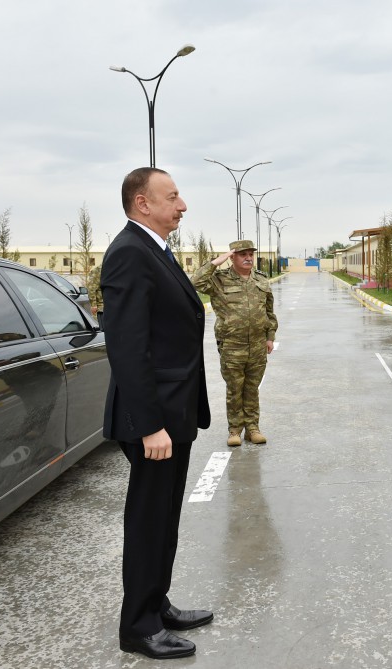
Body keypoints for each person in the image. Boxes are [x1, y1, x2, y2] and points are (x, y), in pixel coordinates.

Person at [101, 167, 212, 659]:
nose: (182, 205)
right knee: (148, 519)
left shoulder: (153, 249)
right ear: (143, 203)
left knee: (164, 517)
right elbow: (127, 347)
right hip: (155, 419)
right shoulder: (129, 253)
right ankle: (138, 627)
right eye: (173, 197)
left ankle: (156, 603)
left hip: (174, 412)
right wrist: (150, 425)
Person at [192, 240, 277, 446]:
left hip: (257, 345)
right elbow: (194, 282)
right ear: (232, 257)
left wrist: (270, 336)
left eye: (250, 254)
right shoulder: (219, 281)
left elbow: (269, 312)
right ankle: (235, 431)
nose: (248, 258)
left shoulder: (261, 280)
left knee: (252, 388)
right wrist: (215, 262)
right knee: (234, 389)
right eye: (242, 254)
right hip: (232, 345)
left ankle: (253, 429)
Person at [86, 264, 104, 328]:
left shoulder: (114, 268)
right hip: (102, 307)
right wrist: (94, 304)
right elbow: (92, 288)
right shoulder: (98, 270)